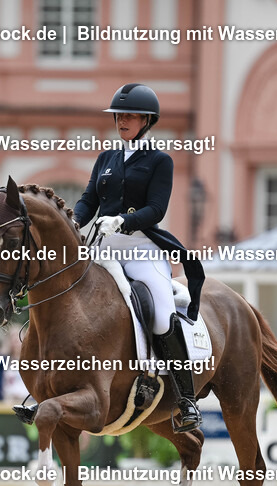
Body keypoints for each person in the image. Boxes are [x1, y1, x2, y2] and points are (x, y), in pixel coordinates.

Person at [73, 82, 205, 433]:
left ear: (147, 120)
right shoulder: (106, 158)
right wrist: (73, 220)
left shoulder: (159, 161)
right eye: (119, 115)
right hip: (103, 248)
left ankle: (186, 398)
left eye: (129, 115)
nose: (122, 121)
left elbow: (156, 208)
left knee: (162, 314)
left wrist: (124, 220)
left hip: (142, 249)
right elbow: (89, 199)